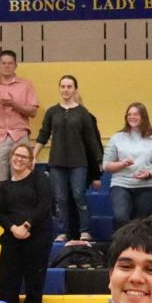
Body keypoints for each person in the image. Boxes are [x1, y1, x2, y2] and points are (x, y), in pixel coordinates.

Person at [38, 75, 102, 244]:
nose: (66, 89)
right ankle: (63, 231)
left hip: (78, 162)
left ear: (75, 89)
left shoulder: (83, 113)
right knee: (60, 198)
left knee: (78, 196)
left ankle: (85, 231)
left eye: (69, 86)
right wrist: (33, 155)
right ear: (59, 88)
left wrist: (99, 161)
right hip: (56, 163)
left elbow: (91, 139)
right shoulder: (52, 111)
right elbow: (43, 135)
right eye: (63, 86)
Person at [0, 141, 53, 303]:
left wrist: (26, 226)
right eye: (16, 155)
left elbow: (44, 205)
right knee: (7, 282)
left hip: (37, 238)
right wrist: (13, 229)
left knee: (34, 282)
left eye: (23, 157)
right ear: (11, 157)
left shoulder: (40, 179)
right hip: (12, 239)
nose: (19, 159)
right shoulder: (4, 186)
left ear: (30, 161)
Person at [0, 50, 38, 179]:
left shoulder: (26, 85)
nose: (7, 66)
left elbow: (33, 112)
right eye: (3, 63)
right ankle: (1, 200)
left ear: (16, 65)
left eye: (10, 63)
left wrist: (15, 104)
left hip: (20, 135)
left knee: (22, 177)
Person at [101, 102, 152, 225]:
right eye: (129, 114)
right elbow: (106, 165)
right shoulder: (117, 137)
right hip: (121, 184)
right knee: (120, 217)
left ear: (143, 117)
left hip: (146, 186)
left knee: (140, 223)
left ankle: (137, 244)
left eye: (135, 114)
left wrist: (149, 173)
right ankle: (120, 243)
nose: (131, 117)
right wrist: (122, 164)